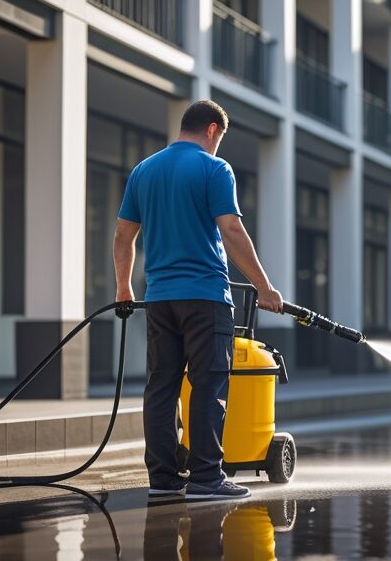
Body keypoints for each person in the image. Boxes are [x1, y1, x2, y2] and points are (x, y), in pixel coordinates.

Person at [113, 100, 283, 501]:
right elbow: (232, 232)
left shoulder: (144, 170)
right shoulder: (214, 168)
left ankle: (164, 479)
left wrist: (124, 288)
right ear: (211, 130)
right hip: (205, 297)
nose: (218, 146)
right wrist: (264, 286)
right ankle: (207, 478)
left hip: (159, 299)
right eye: (219, 139)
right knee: (208, 385)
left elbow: (123, 236)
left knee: (161, 387)